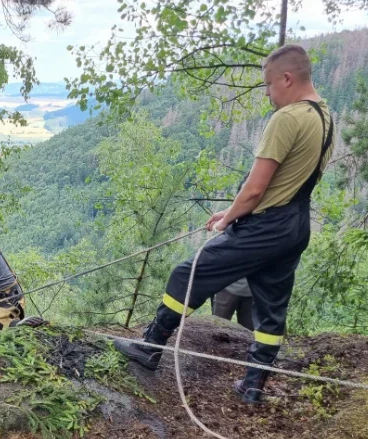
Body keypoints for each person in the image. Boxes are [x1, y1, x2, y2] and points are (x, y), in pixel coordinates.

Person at [116, 44, 334, 404]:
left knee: (187, 274)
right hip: (296, 225)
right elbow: (290, 182)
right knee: (271, 305)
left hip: (267, 227)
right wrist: (232, 212)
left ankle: (151, 346)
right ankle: (253, 385)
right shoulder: (324, 117)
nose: (268, 93)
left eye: (268, 85)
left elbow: (256, 188)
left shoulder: (288, 118)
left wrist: (232, 218)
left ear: (287, 78)